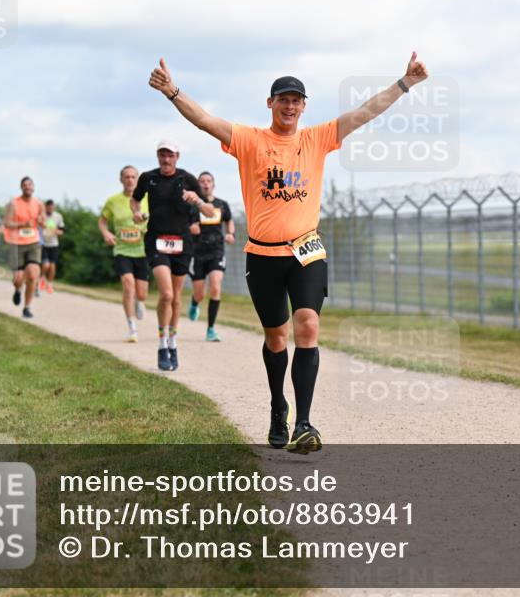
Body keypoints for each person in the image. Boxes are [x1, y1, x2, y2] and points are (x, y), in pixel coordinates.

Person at [149, 52, 429, 453]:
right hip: (262, 255)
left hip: (306, 251)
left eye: (297, 100)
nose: (290, 106)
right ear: (271, 104)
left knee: (308, 326)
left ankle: (304, 422)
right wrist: (173, 92)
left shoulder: (317, 139)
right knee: (277, 337)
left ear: (303, 106)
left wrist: (406, 83)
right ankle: (278, 405)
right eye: (283, 99)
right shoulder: (249, 140)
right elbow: (206, 120)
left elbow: (367, 111)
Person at [130, 141, 216, 370]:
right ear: (157, 156)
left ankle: (173, 343)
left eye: (170, 155)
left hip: (182, 244)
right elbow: (135, 199)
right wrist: (136, 213)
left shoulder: (187, 179)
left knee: (176, 296)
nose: (166, 160)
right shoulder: (148, 177)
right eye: (162, 155)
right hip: (156, 241)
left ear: (177, 156)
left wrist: (195, 199)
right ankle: (161, 345)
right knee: (166, 294)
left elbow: (209, 211)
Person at [100, 165, 150, 342]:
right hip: (122, 250)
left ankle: (140, 301)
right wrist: (106, 233)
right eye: (126, 177)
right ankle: (132, 328)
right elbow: (102, 221)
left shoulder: (147, 199)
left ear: (138, 179)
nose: (130, 180)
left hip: (143, 250)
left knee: (142, 292)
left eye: (133, 177)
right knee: (128, 286)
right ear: (121, 180)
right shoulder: (113, 201)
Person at [187, 171, 235, 342]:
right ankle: (194, 302)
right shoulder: (192, 206)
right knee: (200, 294)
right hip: (197, 253)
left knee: (215, 287)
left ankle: (211, 329)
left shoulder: (222, 204)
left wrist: (230, 233)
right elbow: (184, 224)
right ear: (198, 185)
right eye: (202, 181)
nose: (205, 184)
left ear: (213, 184)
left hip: (216, 251)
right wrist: (191, 228)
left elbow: (229, 220)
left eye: (209, 181)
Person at [3, 177, 45, 318]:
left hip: (33, 242)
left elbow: (45, 223)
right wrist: (22, 224)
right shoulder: (14, 204)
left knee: (33, 275)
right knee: (18, 278)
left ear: (33, 187)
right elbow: (7, 223)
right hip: (17, 243)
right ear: (21, 188)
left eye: (30, 185)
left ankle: (27, 307)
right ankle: (18, 289)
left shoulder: (39, 204)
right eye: (25, 185)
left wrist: (42, 222)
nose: (28, 187)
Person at [39, 200, 65, 294]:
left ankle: (49, 284)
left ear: (54, 207)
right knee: (46, 265)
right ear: (45, 207)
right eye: (48, 207)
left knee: (53, 266)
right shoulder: (41, 215)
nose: (50, 209)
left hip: (54, 244)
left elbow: (61, 231)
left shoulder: (58, 216)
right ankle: (41, 279)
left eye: (52, 207)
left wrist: (52, 230)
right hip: (43, 244)